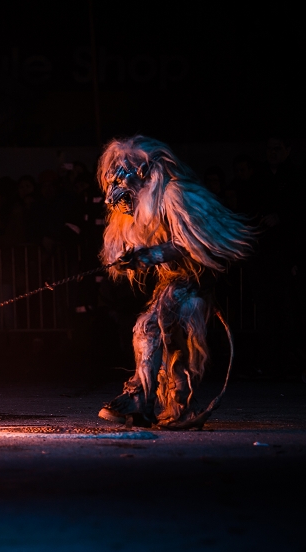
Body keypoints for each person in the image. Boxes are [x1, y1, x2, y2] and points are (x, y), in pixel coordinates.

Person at [96, 136, 254, 429]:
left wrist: (147, 255)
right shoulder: (141, 204)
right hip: (175, 279)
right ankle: (172, 407)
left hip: (195, 279)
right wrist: (129, 257)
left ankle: (149, 400)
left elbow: (188, 243)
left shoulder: (175, 194)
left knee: (153, 329)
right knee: (168, 337)